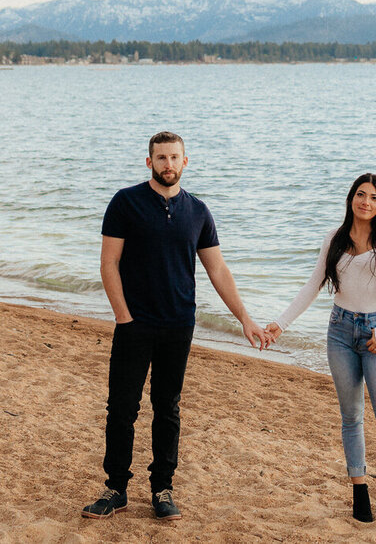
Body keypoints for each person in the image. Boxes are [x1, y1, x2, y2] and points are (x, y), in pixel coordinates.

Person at [82, 131, 266, 521]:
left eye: (174, 157)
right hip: (135, 324)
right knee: (122, 408)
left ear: (186, 162)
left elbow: (217, 268)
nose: (168, 164)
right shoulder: (125, 202)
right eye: (161, 158)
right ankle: (115, 488)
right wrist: (123, 316)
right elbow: (108, 263)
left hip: (178, 325)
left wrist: (245, 319)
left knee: (167, 408)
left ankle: (162, 489)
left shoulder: (197, 211)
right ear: (149, 162)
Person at [265, 172, 376, 524]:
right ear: (351, 199)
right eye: (361, 195)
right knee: (351, 417)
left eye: (374, 198)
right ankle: (360, 492)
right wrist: (280, 324)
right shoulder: (334, 238)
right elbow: (313, 285)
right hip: (340, 331)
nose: (366, 202)